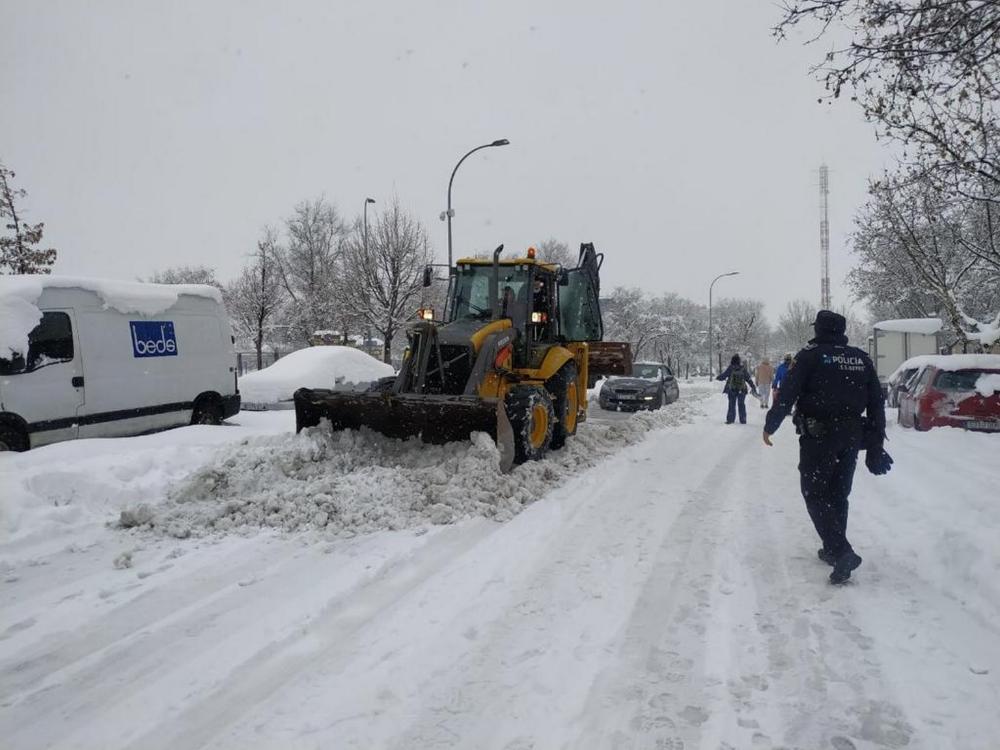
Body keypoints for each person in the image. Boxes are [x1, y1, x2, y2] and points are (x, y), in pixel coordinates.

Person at [762, 310, 892, 585]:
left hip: (819, 436)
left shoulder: (809, 355)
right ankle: (833, 549)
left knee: (814, 492)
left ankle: (841, 550)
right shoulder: (860, 358)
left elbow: (787, 394)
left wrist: (770, 425)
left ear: (819, 329)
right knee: (838, 493)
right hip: (852, 437)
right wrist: (876, 444)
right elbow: (876, 403)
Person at [716, 354, 756, 424]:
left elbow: (724, 376)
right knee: (741, 404)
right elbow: (748, 378)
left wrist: (718, 377)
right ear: (739, 361)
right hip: (742, 389)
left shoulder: (731, 368)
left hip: (732, 389)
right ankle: (743, 419)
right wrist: (753, 386)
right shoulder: (743, 368)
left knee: (731, 404)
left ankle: (730, 420)